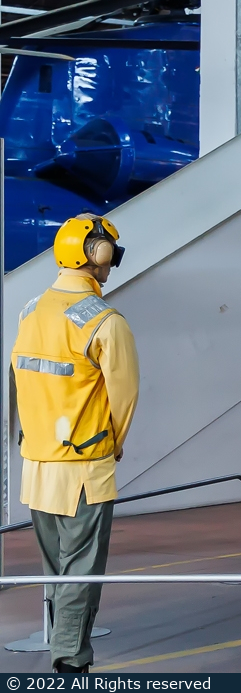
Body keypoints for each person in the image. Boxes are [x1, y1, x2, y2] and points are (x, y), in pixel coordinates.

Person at [11, 215, 139, 673]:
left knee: (55, 567)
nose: (112, 261)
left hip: (37, 462)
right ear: (96, 255)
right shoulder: (105, 322)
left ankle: (60, 643)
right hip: (84, 467)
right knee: (82, 568)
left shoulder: (31, 310)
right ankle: (70, 660)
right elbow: (124, 398)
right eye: (110, 252)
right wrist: (114, 444)